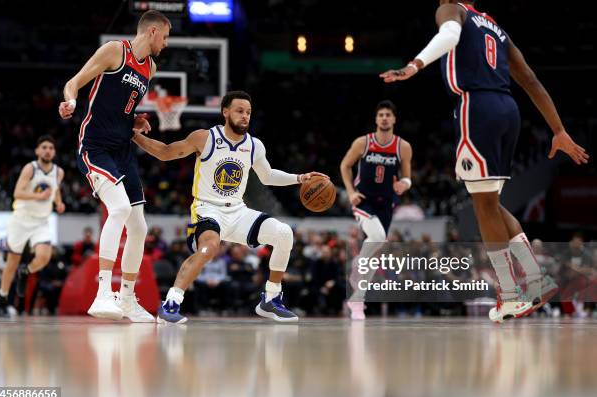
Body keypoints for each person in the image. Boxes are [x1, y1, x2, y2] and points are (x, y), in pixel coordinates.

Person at [380, 0, 588, 322]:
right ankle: (535, 279)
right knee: (490, 201)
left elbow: (449, 34)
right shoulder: (496, 28)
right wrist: (557, 129)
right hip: (508, 110)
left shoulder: (451, 8)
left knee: (483, 207)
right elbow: (530, 79)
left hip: (476, 107)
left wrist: (414, 65)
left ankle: (509, 294)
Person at [132, 90, 328, 323]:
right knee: (209, 248)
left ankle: (271, 299)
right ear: (225, 112)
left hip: (237, 211)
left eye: (248, 112)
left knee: (284, 233)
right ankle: (172, 303)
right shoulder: (204, 138)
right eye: (239, 111)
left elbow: (267, 176)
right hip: (207, 209)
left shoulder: (254, 146)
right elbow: (165, 153)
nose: (245, 116)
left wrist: (299, 178)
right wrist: (133, 135)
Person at [58, 10, 171, 322]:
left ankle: (127, 299)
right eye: (165, 36)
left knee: (139, 226)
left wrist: (135, 118)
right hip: (95, 146)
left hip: (122, 149)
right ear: (152, 31)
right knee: (119, 210)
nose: (166, 42)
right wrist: (70, 101)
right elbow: (74, 82)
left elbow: (123, 106)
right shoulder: (114, 51)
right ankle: (102, 293)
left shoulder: (150, 67)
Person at [340, 100, 413, 320]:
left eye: (387, 115)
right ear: (376, 119)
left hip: (386, 203)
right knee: (378, 237)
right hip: (363, 200)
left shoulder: (403, 146)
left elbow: (408, 176)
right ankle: (357, 269)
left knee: (375, 251)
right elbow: (345, 166)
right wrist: (351, 192)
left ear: (394, 119)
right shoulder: (363, 142)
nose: (384, 118)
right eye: (380, 114)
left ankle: (357, 301)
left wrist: (405, 184)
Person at [0, 136, 65, 317]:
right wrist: (39, 197)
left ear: (54, 152)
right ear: (37, 151)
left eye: (51, 147)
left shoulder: (59, 172)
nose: (48, 150)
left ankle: (25, 272)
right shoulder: (30, 168)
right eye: (44, 147)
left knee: (43, 257)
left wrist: (59, 202)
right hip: (21, 219)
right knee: (12, 262)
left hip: (41, 220)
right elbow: (17, 193)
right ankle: (2, 300)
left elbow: (55, 190)